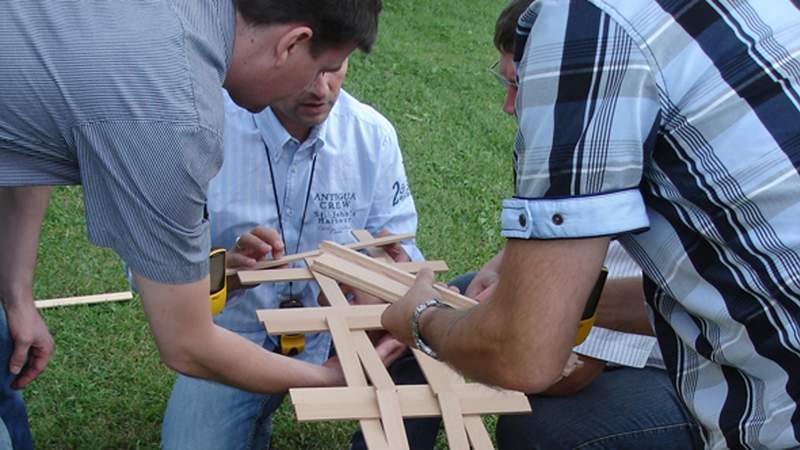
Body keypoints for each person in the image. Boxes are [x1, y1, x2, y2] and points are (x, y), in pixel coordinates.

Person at [382, 0, 800, 448]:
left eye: (519, 85)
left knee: (547, 429)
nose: (510, 106)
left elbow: (523, 354)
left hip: (777, 410)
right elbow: (722, 277)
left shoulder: (591, 22)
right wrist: (529, 297)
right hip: (760, 358)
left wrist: (423, 318)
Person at [0, 1, 381, 448]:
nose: (320, 86)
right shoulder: (174, 117)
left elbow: (23, 138)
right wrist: (330, 377)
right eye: (324, 65)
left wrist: (15, 292)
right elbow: (186, 342)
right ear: (293, 43)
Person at [161, 58, 424, 449]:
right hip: (235, 335)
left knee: (428, 342)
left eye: (334, 66)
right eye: (308, 69)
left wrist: (383, 275)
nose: (321, 88)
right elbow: (155, 274)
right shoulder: (202, 132)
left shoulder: (372, 136)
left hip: (340, 330)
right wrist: (220, 274)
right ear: (274, 49)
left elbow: (406, 254)